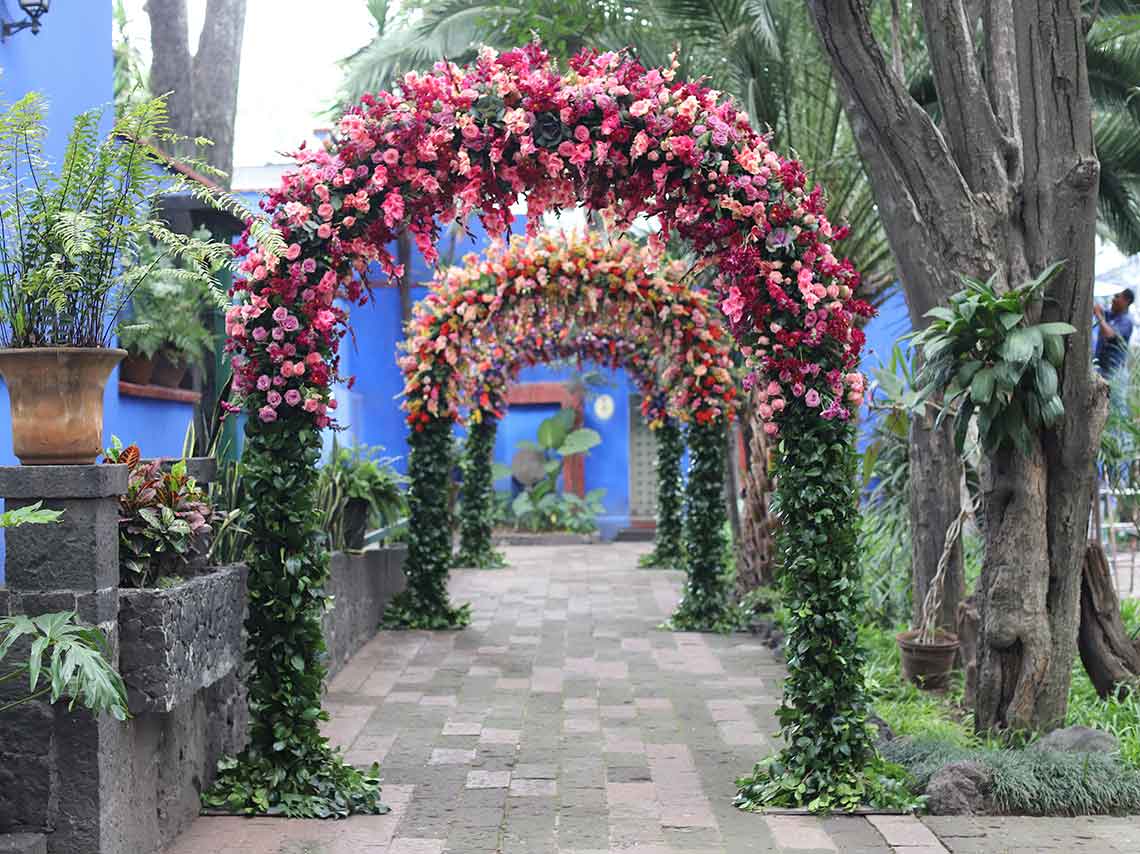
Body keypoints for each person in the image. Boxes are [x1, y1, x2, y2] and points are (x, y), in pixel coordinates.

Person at [1094, 288, 1135, 379]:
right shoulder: (1110, 314)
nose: (1113, 299)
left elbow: (1109, 334)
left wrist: (1098, 315)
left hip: (1112, 372)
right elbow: (1099, 310)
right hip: (1099, 366)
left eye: (1117, 296)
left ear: (1126, 301)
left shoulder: (1127, 321)